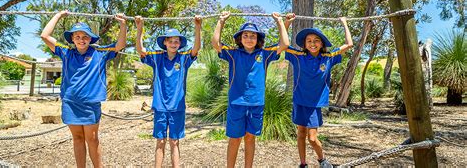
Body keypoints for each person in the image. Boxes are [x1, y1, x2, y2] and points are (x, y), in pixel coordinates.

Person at [40, 10, 127, 168]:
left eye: (85, 36)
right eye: (77, 36)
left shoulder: (100, 53)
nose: (81, 39)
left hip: (90, 104)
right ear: (72, 39)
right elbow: (45, 36)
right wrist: (58, 15)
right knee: (77, 138)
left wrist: (122, 24)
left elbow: (120, 45)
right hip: (70, 103)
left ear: (90, 39)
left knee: (92, 139)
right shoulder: (66, 53)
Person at [211, 11, 289, 167]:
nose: (249, 38)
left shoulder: (265, 54)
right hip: (237, 103)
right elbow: (215, 43)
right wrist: (221, 21)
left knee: (250, 137)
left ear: (258, 39)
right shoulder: (233, 54)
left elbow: (285, 44)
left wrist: (280, 22)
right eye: (245, 35)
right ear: (240, 38)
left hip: (256, 103)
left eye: (253, 36)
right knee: (235, 139)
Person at [284, 13, 353, 168]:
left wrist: (344, 23)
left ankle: (322, 160)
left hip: (314, 105)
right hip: (300, 101)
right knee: (301, 134)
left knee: (312, 138)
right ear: (304, 43)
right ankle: (303, 163)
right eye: (309, 41)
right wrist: (286, 23)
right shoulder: (298, 56)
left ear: (322, 44)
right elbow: (282, 44)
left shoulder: (328, 57)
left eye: (316, 41)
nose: (312, 43)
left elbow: (349, 44)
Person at [134, 15, 202, 167]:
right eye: (170, 41)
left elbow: (196, 48)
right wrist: (140, 28)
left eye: (176, 41)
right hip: (160, 107)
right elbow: (140, 49)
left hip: (177, 107)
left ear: (180, 44)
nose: (173, 43)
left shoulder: (184, 58)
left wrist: (198, 27)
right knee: (160, 141)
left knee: (175, 141)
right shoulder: (157, 58)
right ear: (164, 43)